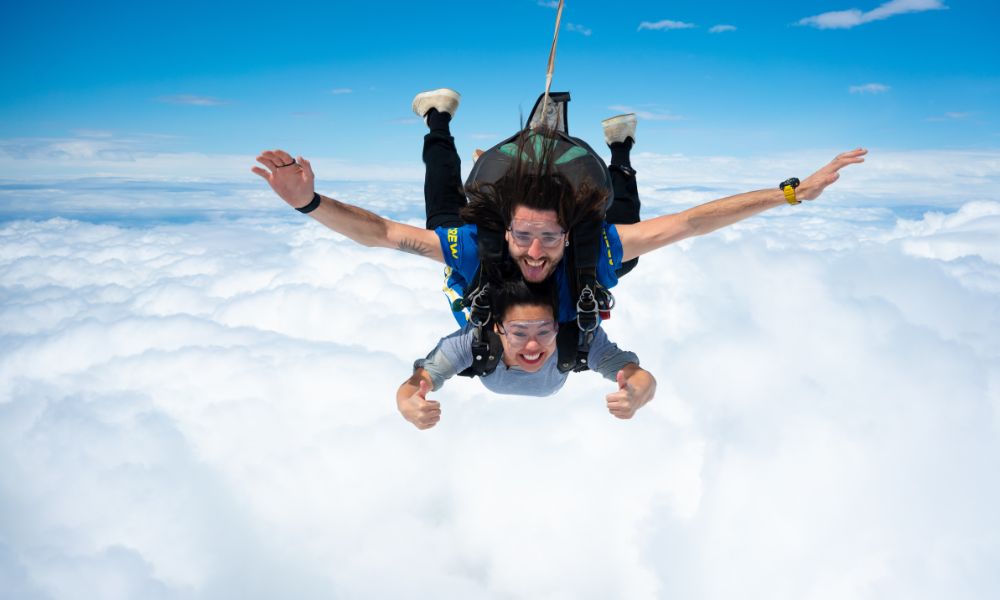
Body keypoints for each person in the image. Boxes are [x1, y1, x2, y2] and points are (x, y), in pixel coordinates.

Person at [251, 88, 866, 325]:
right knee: (624, 233)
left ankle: (437, 119)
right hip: (578, 257)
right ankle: (619, 150)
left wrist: (310, 204)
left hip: (517, 249)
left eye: (547, 238)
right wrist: (790, 194)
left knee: (443, 213)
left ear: (566, 234)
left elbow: (384, 233)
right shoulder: (579, 250)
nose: (537, 252)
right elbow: (690, 224)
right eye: (527, 238)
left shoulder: (483, 254)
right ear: (511, 232)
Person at [395, 277, 656, 430]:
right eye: (519, 333)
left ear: (557, 326)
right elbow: (417, 382)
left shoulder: (575, 337)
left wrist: (637, 394)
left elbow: (639, 377)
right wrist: (407, 404)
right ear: (497, 328)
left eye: (544, 331)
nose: (533, 346)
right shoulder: (474, 342)